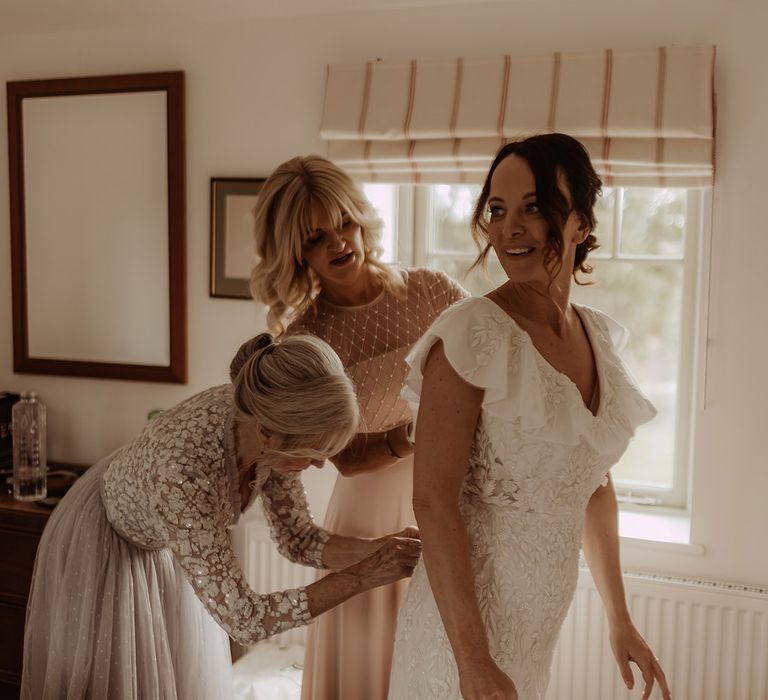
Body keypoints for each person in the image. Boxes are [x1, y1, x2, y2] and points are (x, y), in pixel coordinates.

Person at [388, 133, 672, 700]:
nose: (508, 228)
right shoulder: (472, 335)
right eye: (497, 210)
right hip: (458, 641)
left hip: (537, 632)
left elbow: (592, 483)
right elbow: (432, 500)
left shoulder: (597, 337)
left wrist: (620, 619)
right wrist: (472, 661)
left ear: (581, 225)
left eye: (534, 207)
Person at [21, 333, 421, 700]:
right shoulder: (184, 472)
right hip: (105, 542)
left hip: (169, 535)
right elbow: (245, 620)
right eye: (312, 455)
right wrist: (366, 575)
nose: (317, 468)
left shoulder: (267, 426)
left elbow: (298, 539)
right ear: (268, 434)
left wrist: (380, 551)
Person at [250, 155, 467, 700]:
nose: (339, 243)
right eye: (316, 236)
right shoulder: (304, 341)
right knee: (371, 662)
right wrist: (419, 432)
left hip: (451, 491)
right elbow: (344, 456)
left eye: (344, 222)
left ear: (362, 219)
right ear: (295, 253)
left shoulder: (431, 292)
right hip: (370, 511)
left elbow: (492, 365)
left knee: (446, 651)